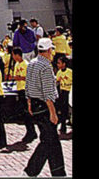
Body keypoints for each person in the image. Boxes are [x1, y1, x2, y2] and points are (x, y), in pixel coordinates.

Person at [22, 38, 66, 177]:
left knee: (52, 138)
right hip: (45, 106)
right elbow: (48, 93)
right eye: (51, 50)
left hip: (35, 104)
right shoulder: (46, 66)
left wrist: (29, 103)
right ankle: (30, 171)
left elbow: (27, 86)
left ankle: (58, 172)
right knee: (48, 140)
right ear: (48, 51)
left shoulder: (31, 64)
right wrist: (53, 113)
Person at [9, 47, 37, 144]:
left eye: (13, 55)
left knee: (27, 111)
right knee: (23, 112)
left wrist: (19, 78)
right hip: (19, 89)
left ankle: (31, 131)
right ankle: (30, 130)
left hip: (26, 89)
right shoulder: (16, 64)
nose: (13, 57)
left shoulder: (26, 64)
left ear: (17, 55)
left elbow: (29, 77)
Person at [54, 54, 72, 136]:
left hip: (69, 92)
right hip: (62, 92)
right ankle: (62, 125)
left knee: (67, 110)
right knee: (62, 109)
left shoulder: (70, 72)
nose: (58, 65)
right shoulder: (59, 72)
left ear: (64, 64)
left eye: (59, 63)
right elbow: (57, 82)